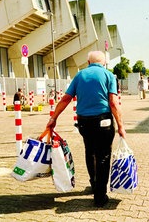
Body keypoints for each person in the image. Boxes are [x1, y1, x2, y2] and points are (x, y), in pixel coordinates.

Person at [46, 51, 126, 207]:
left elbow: (66, 98)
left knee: (90, 151)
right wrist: (121, 126)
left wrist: (53, 118)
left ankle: (94, 184)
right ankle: (100, 196)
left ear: (88, 62)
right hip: (104, 121)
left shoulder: (80, 75)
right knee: (103, 156)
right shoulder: (108, 75)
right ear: (104, 63)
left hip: (84, 122)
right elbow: (113, 102)